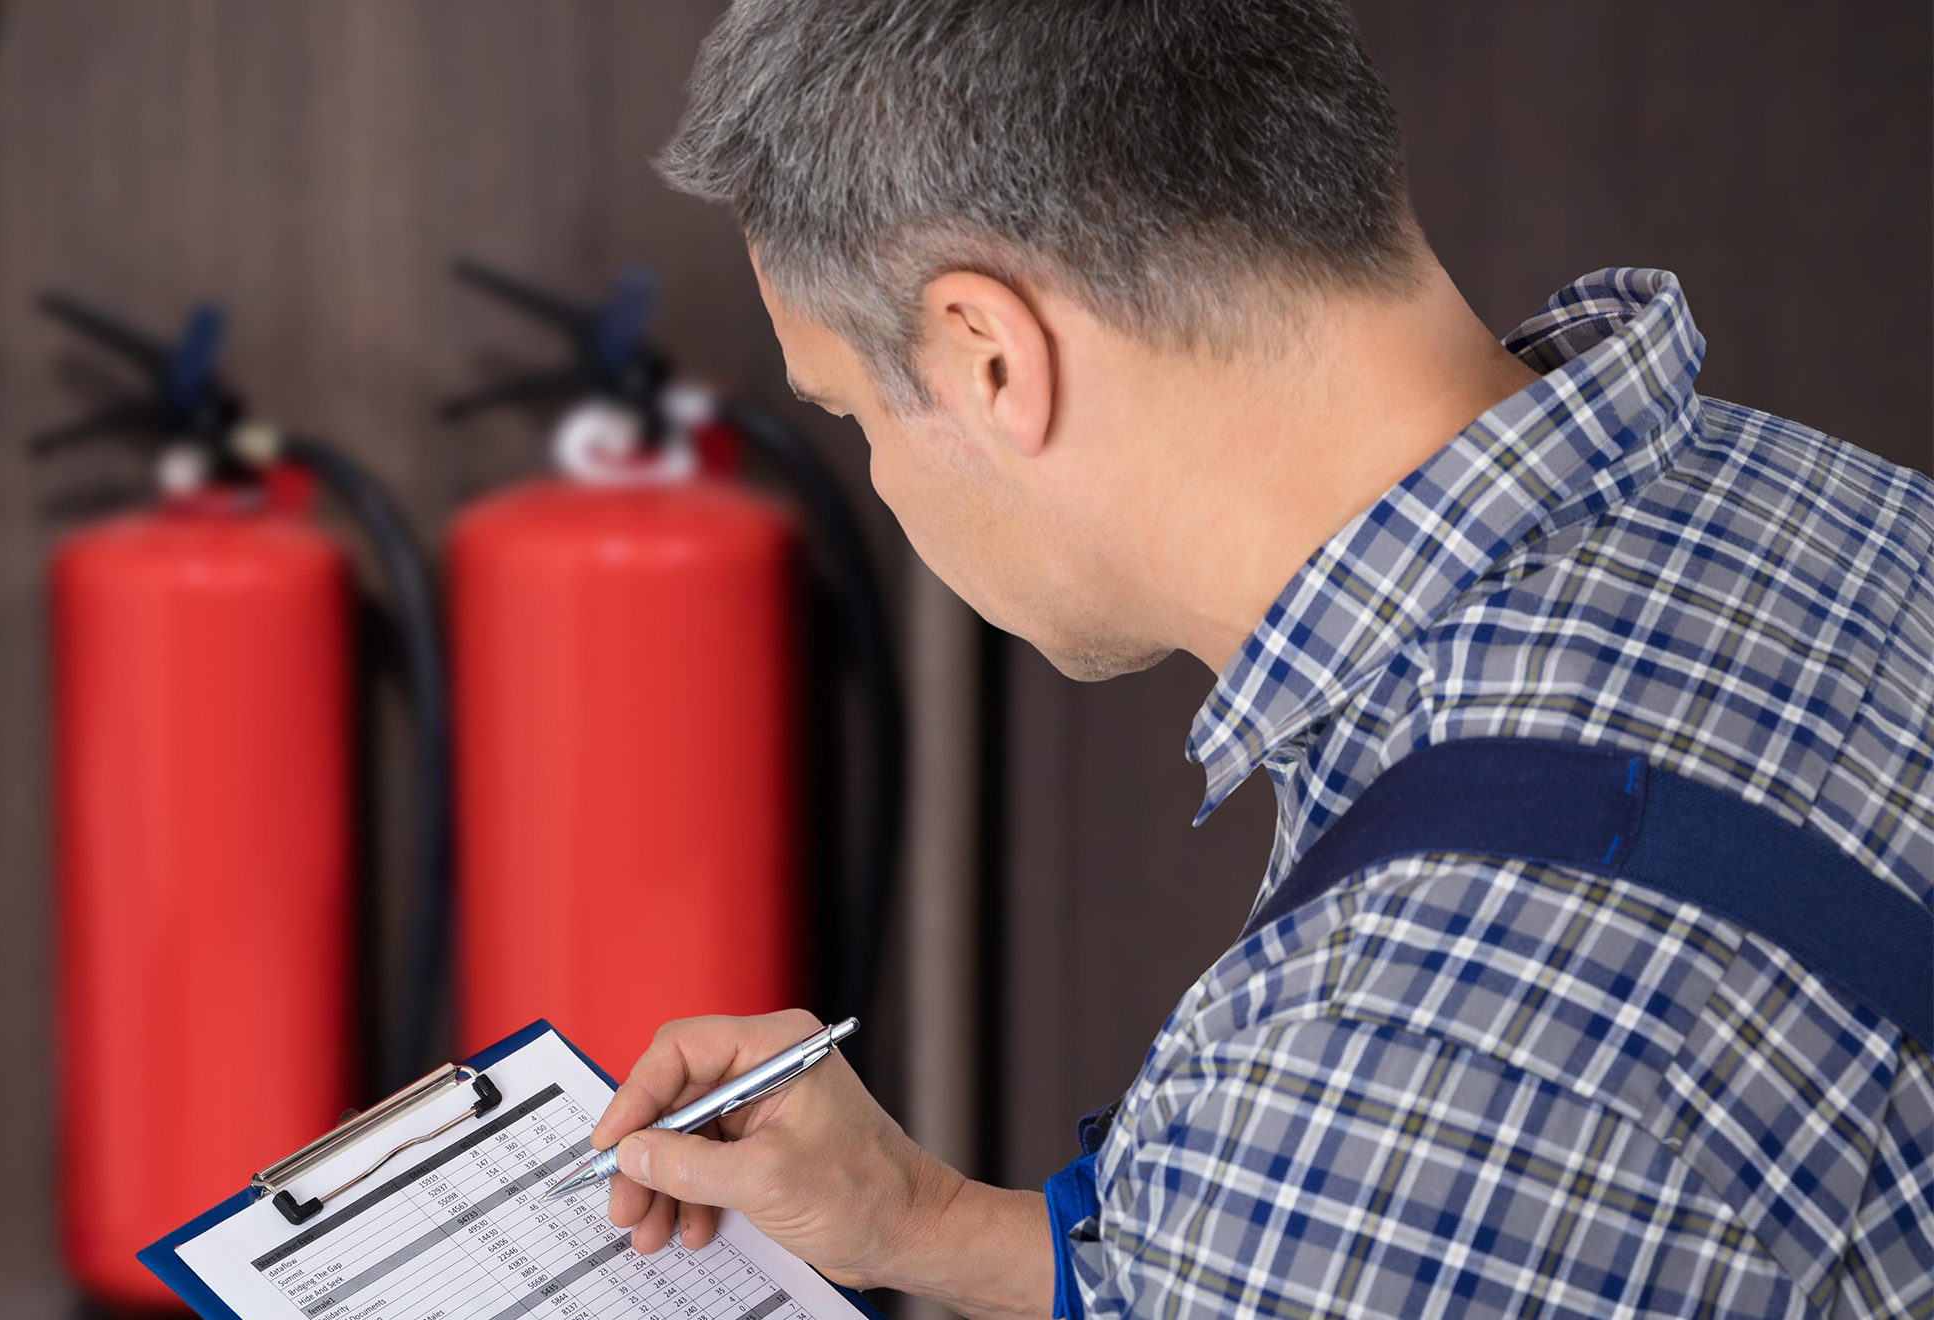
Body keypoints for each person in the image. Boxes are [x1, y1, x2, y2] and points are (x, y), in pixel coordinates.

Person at [592, 2, 1934, 1318]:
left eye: (851, 411)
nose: (877, 472)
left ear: (989, 356)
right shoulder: (1829, 505)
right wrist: (928, 1227)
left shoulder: (1387, 1047)